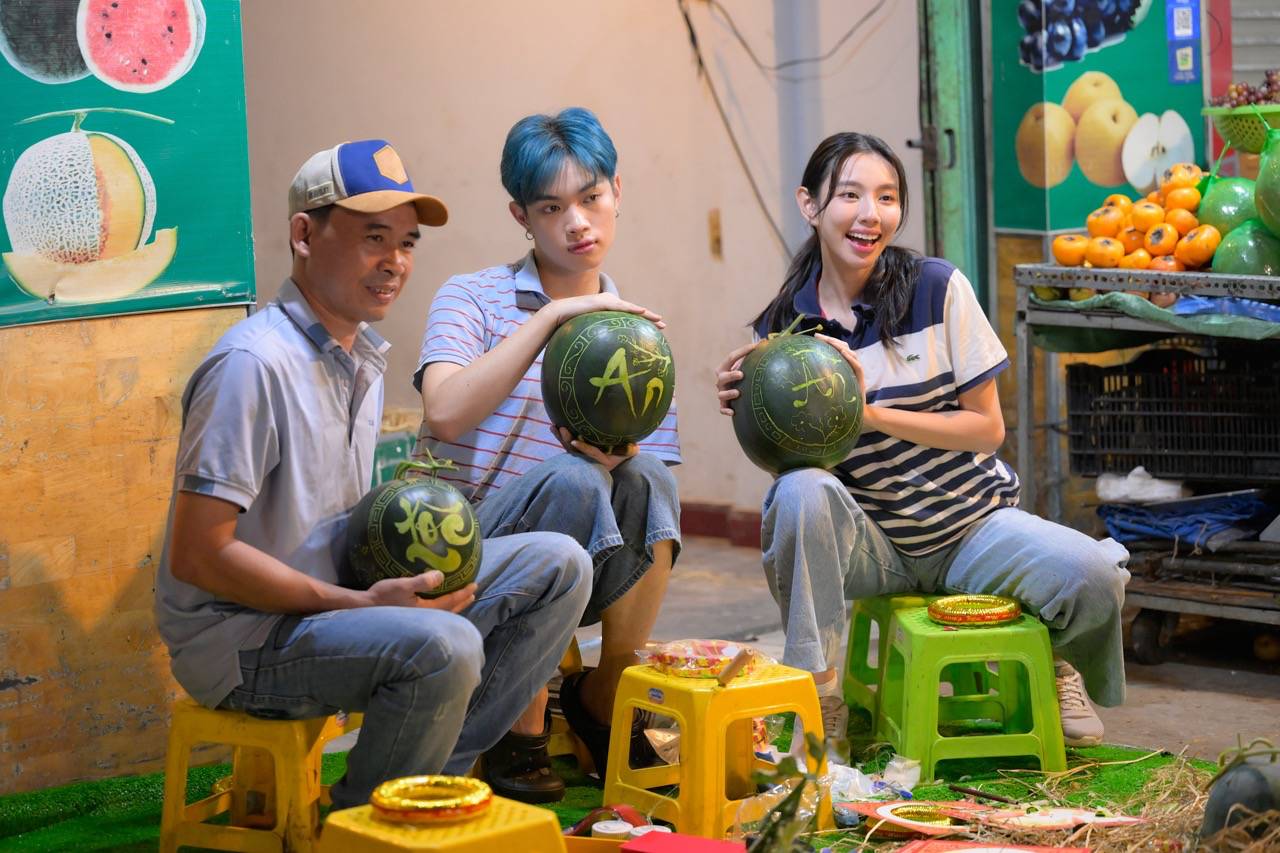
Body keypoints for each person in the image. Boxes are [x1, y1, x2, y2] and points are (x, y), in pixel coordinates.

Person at [154, 139, 592, 810]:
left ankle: (432, 781)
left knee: (560, 563)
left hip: (334, 600)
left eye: (407, 243)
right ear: (304, 234)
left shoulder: (359, 356)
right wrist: (358, 604)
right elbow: (197, 554)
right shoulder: (253, 364)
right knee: (441, 645)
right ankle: (356, 820)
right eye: (373, 238)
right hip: (247, 639)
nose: (395, 263)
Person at [714, 132, 1130, 753]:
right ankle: (817, 694)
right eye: (849, 195)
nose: (869, 214)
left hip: (970, 528)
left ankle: (1056, 661)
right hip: (873, 546)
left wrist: (872, 413)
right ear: (810, 205)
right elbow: (803, 476)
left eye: (886, 197)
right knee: (798, 491)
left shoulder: (937, 288)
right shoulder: (785, 330)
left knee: (1094, 574)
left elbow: (987, 430)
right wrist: (749, 407)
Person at [413, 107, 681, 800]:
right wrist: (551, 319)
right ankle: (520, 725)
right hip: (467, 553)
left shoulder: (636, 338)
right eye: (551, 207)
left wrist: (613, 453)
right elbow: (442, 413)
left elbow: (648, 503)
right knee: (569, 477)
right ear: (521, 216)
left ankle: (608, 687)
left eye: (591, 198)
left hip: (581, 567)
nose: (577, 222)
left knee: (646, 474)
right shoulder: (470, 297)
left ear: (617, 191)